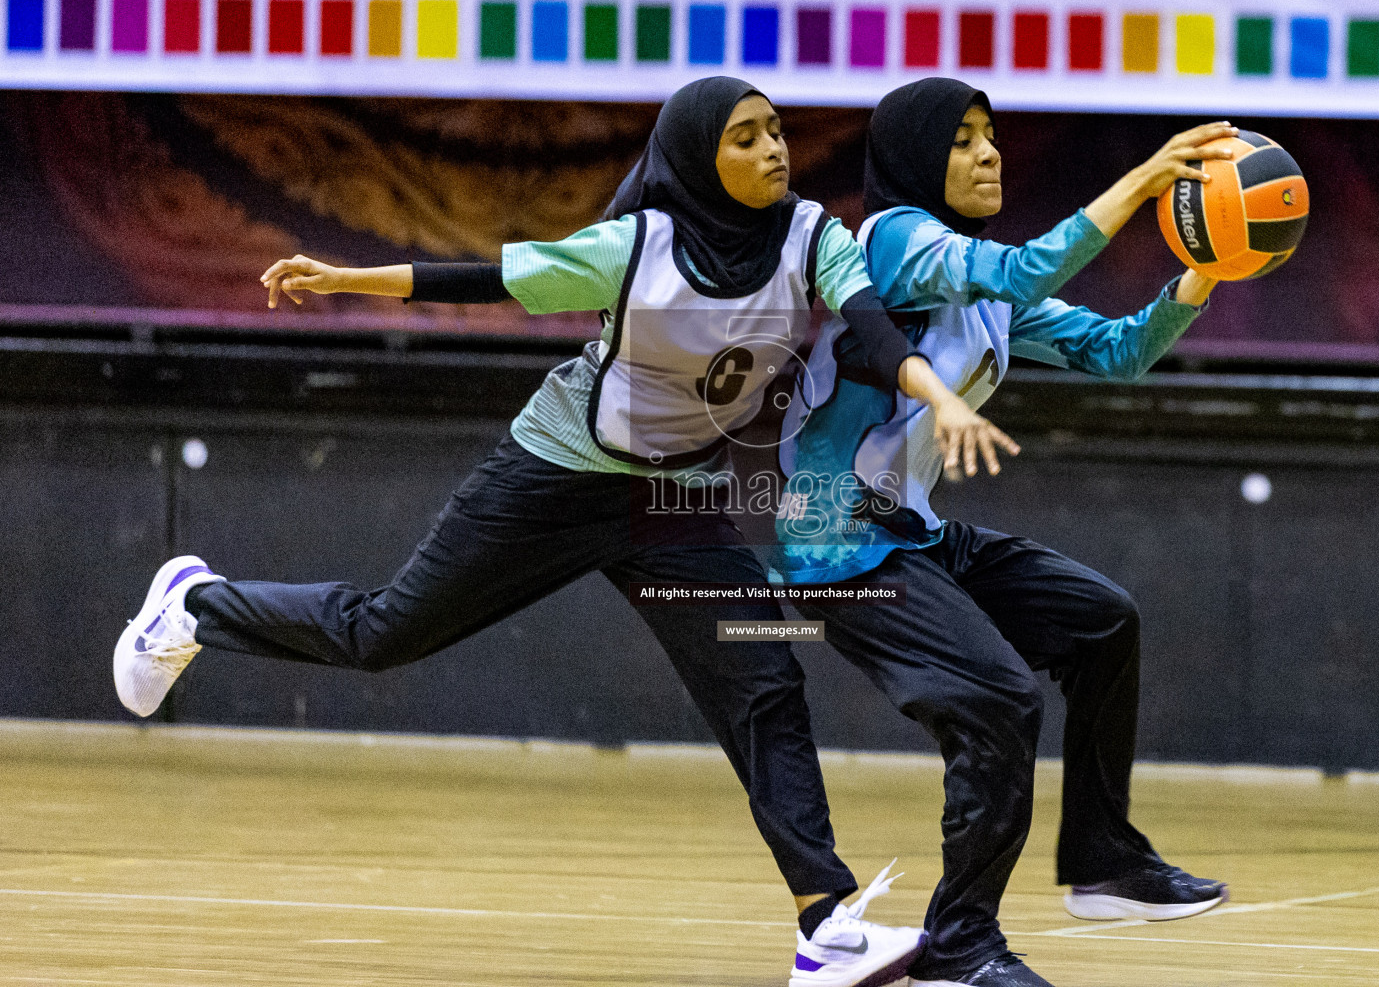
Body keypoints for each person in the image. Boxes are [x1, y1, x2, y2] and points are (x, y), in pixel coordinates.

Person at [112, 76, 1001, 987]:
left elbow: (877, 332)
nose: (774, 148)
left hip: (671, 503)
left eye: (777, 131)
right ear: (700, 158)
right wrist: (343, 277)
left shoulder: (814, 235)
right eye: (747, 138)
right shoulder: (632, 247)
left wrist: (936, 396)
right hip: (559, 477)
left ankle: (826, 926)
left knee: (763, 677)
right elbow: (482, 276)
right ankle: (197, 605)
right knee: (384, 634)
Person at [771, 77, 1236, 987]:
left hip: (903, 530)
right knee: (996, 699)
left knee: (1100, 620)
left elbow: (1119, 352)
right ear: (914, 161)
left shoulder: (981, 282)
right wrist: (1143, 181)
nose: (988, 154)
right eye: (962, 140)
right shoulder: (894, 241)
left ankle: (1105, 864)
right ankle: (959, 945)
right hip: (827, 542)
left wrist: (1210, 266)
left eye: (991, 136)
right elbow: (1028, 269)